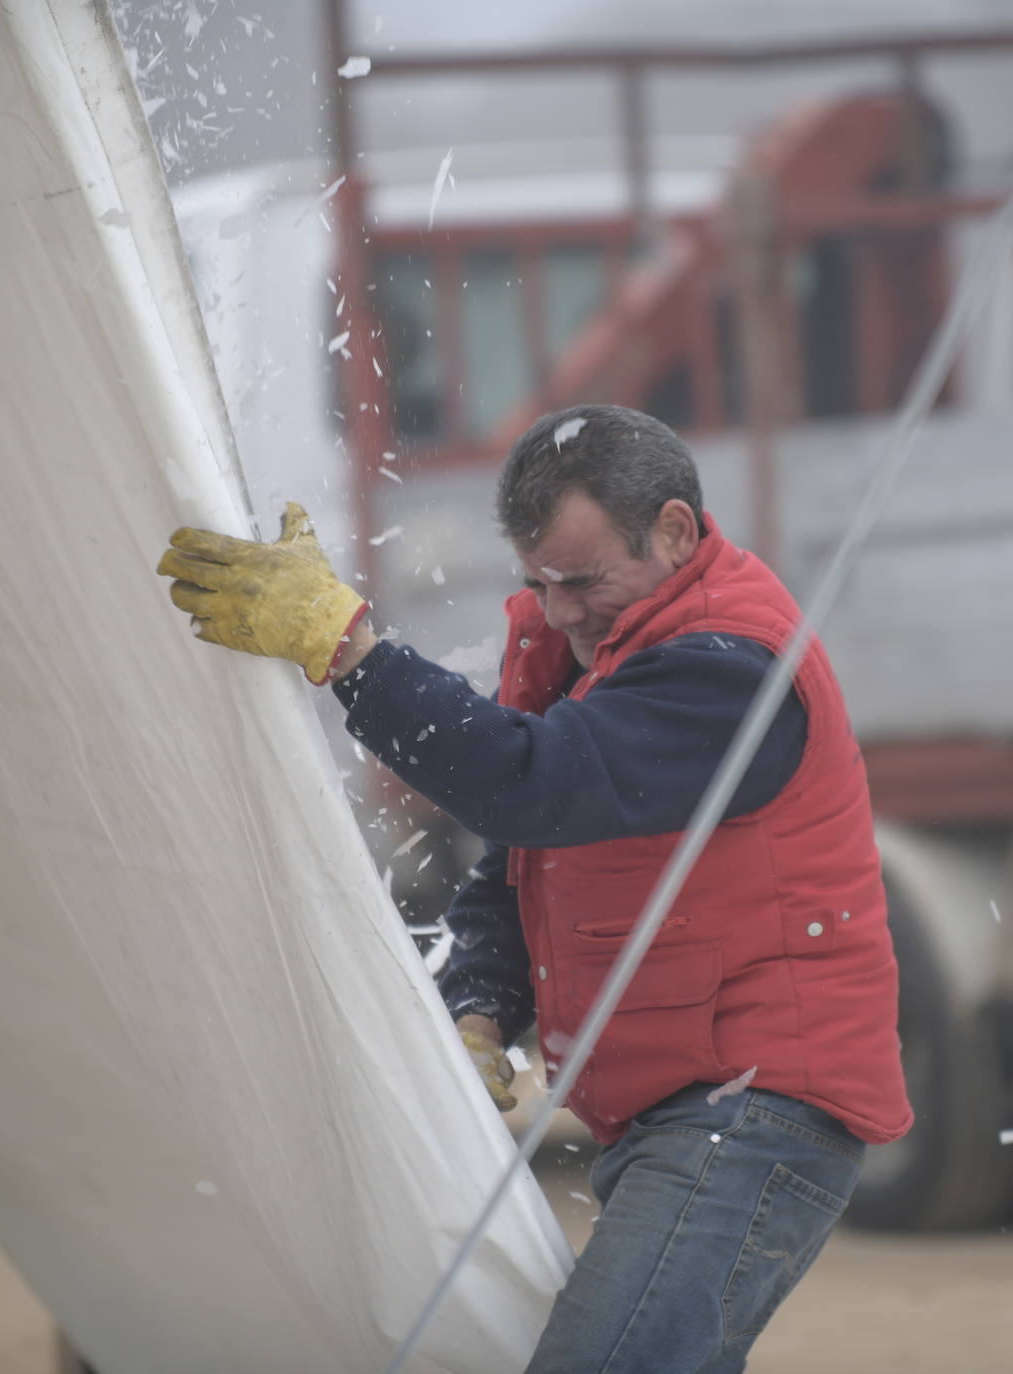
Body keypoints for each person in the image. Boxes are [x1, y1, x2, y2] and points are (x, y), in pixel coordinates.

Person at [157, 404, 912, 1373]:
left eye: (583, 580)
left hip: (757, 1110)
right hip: (683, 1108)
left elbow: (532, 789)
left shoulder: (733, 667)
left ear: (676, 532)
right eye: (536, 583)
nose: (558, 610)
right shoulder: (597, 649)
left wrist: (352, 653)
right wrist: (479, 1009)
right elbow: (529, 871)